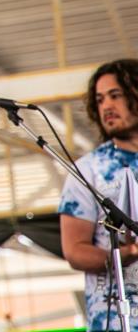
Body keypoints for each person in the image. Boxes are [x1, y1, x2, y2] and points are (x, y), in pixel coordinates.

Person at [59, 58, 138, 331]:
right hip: (116, 320)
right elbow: (74, 250)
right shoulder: (88, 170)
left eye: (115, 95)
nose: (107, 106)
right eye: (100, 99)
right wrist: (124, 254)